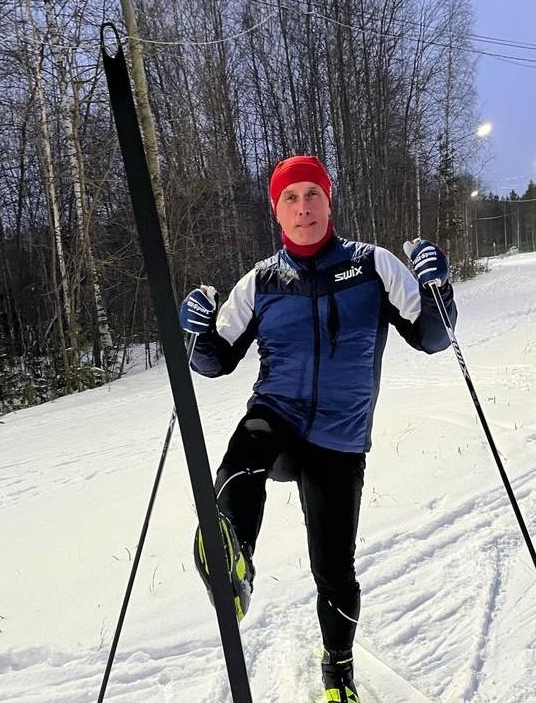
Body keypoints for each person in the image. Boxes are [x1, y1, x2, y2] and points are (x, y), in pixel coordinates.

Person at [180, 155, 457, 702]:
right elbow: (214, 360)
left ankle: (338, 671)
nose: (303, 207)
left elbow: (433, 336)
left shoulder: (374, 266)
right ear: (276, 211)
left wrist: (438, 287)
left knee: (333, 569)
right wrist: (193, 330)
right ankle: (233, 553)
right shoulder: (261, 281)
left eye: (312, 194)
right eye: (290, 197)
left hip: (340, 438)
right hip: (277, 415)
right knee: (245, 450)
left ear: (329, 201)